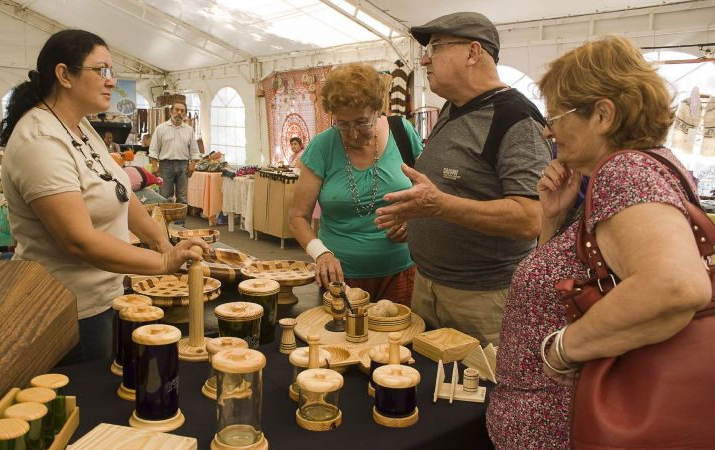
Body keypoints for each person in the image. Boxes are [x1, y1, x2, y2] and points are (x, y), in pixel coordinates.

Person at [486, 35, 713, 449]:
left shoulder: (623, 170)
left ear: (603, 115)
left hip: (566, 426)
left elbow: (677, 286)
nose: (548, 129)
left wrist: (563, 349)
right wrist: (553, 218)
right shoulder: (651, 165)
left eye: (556, 116)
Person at [0, 29, 208, 364]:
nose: (112, 81)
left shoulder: (80, 127)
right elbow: (79, 241)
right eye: (102, 71)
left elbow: (121, 193)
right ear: (64, 75)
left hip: (104, 298)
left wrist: (162, 242)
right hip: (69, 309)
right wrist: (163, 263)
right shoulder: (39, 141)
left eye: (113, 72)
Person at [374, 12, 551, 345]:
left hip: (483, 302)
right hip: (428, 287)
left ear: (473, 53)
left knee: (478, 394)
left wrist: (438, 206)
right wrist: (418, 221)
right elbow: (460, 189)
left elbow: (531, 219)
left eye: (437, 47)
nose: (425, 58)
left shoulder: (515, 119)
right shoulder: (452, 109)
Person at [289, 63, 423, 305]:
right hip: (340, 279)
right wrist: (321, 254)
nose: (352, 134)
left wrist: (414, 219)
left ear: (377, 109)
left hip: (400, 274)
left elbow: (429, 194)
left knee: (398, 340)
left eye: (362, 123)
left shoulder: (403, 133)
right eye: (342, 124)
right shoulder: (322, 146)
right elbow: (297, 217)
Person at [149, 102, 199, 205]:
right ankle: (164, 221)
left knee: (183, 198)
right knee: (164, 196)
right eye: (177, 110)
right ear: (171, 111)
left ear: (185, 113)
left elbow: (194, 150)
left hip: (183, 166)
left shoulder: (189, 130)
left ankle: (180, 222)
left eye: (182, 111)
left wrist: (192, 164)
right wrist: (154, 166)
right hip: (165, 166)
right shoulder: (160, 128)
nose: (179, 113)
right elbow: (154, 149)